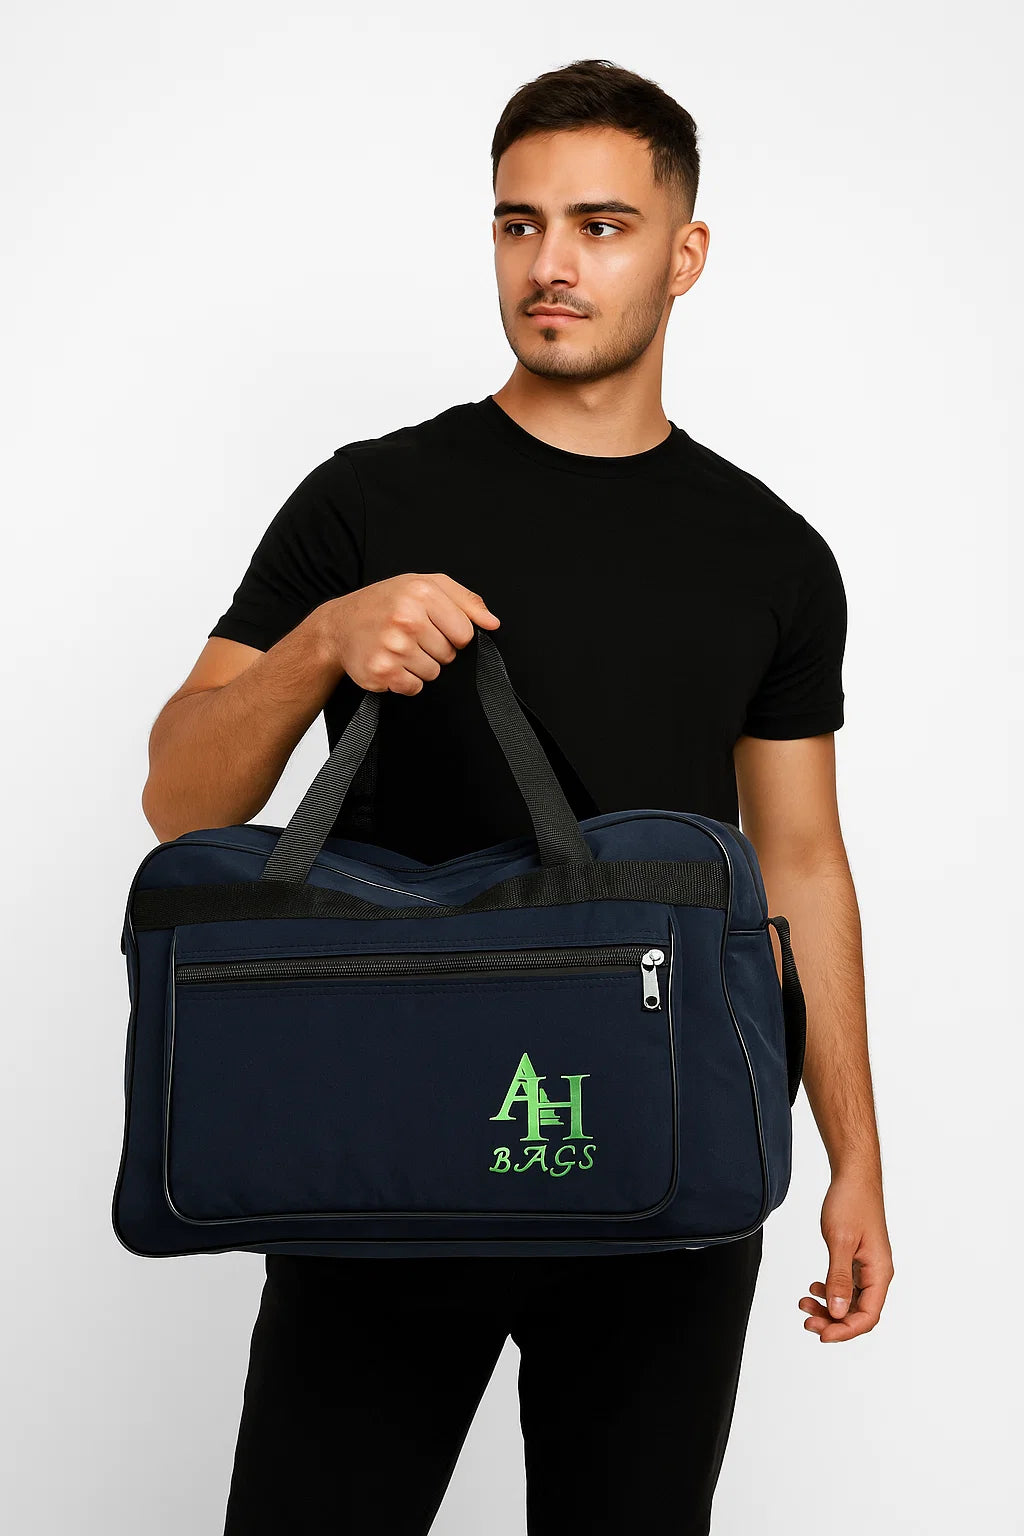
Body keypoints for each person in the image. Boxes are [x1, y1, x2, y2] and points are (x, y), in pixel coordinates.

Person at [141, 56, 894, 1536]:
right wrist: (321, 642)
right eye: (519, 222)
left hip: (665, 1146)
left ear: (685, 253)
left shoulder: (774, 555)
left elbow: (801, 861)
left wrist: (855, 1159)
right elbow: (181, 800)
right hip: (389, 1144)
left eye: (602, 226)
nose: (552, 263)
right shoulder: (366, 499)